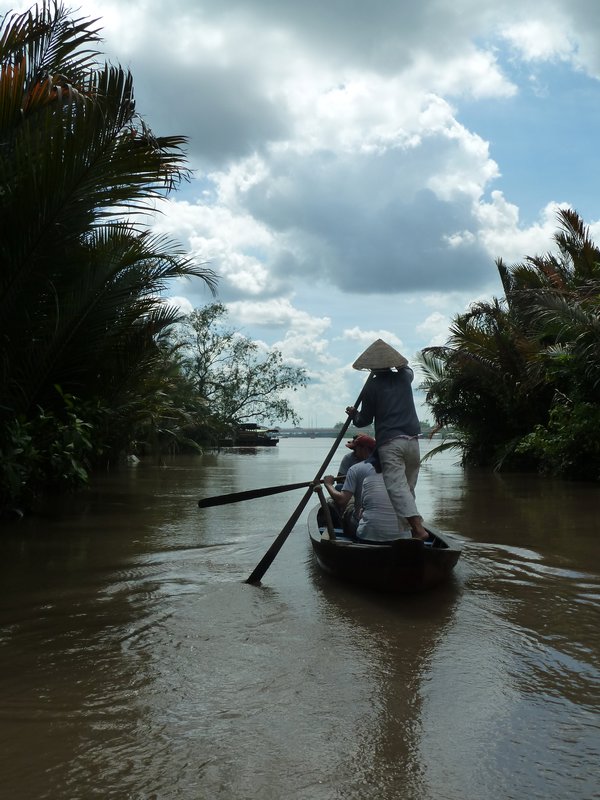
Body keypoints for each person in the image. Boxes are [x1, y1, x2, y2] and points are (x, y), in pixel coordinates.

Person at [345, 338, 429, 541]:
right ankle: (410, 531)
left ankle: (417, 529)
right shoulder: (404, 377)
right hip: (412, 441)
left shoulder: (371, 387)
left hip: (390, 443)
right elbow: (406, 368)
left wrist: (353, 413)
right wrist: (394, 362)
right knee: (407, 488)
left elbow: (363, 420)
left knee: (396, 487)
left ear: (371, 368)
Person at [322, 433, 376, 536]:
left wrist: (328, 484)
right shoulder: (387, 466)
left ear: (364, 449)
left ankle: (339, 523)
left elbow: (342, 501)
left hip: (363, 523)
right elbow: (340, 480)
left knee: (334, 502)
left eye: (356, 449)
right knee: (339, 488)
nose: (354, 451)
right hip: (351, 491)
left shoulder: (356, 468)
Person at [355, 453, 411, 542]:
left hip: (368, 537)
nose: (372, 465)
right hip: (402, 540)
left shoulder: (368, 480)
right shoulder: (404, 481)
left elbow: (363, 508)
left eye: (373, 463)